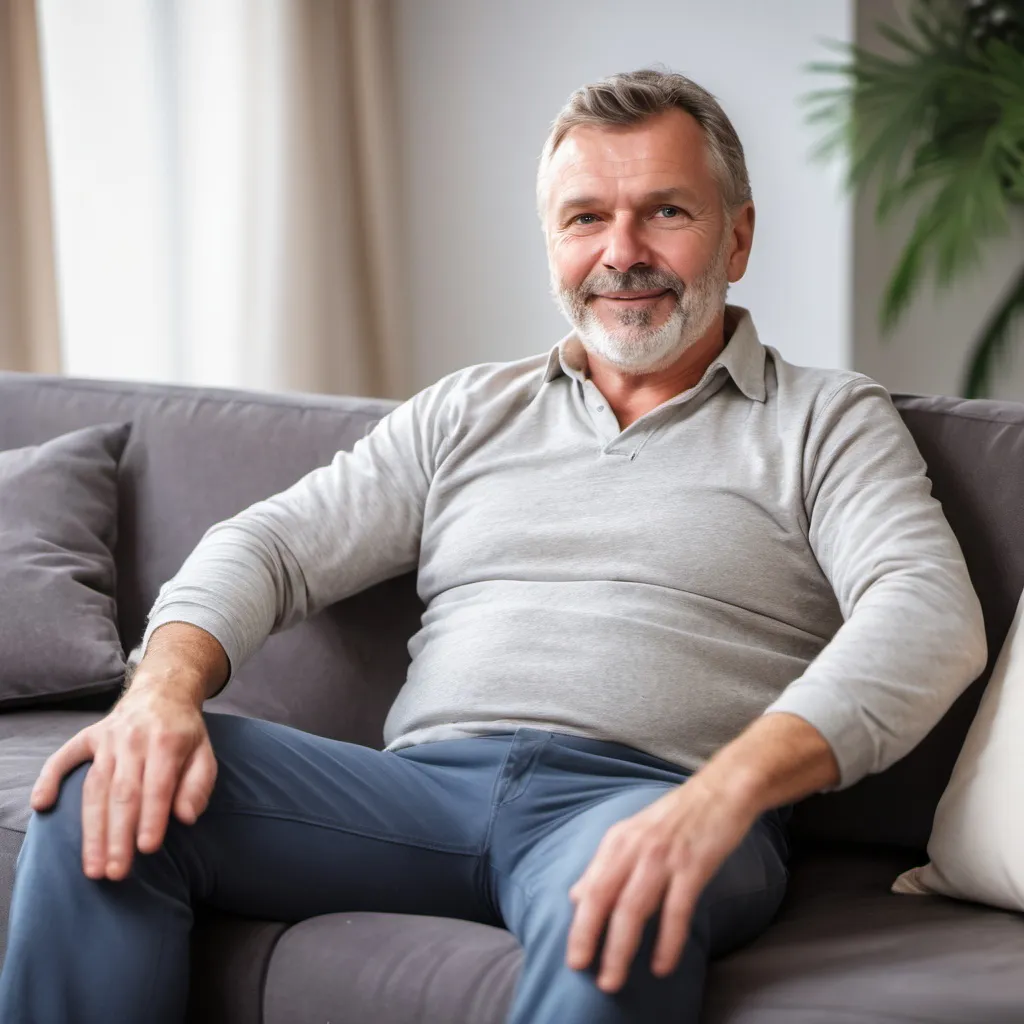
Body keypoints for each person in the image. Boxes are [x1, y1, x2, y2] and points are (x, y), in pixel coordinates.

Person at [0, 68, 987, 1024]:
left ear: (737, 237)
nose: (621, 250)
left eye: (666, 212)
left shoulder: (826, 418)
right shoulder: (469, 409)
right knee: (108, 789)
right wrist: (160, 695)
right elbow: (271, 545)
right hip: (418, 795)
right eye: (585, 218)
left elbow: (924, 611)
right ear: (552, 242)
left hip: (650, 802)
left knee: (624, 903)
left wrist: (723, 792)